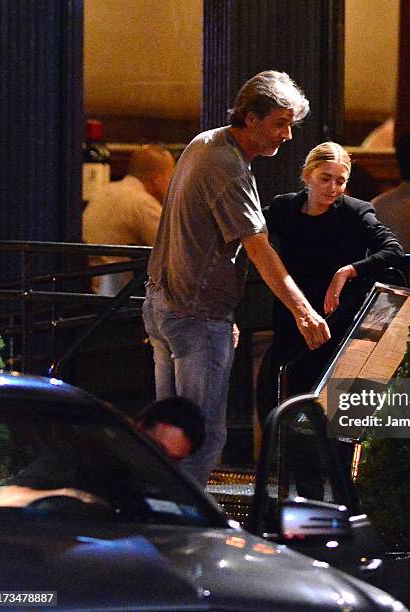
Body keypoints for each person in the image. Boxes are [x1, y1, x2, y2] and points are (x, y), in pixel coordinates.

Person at [142, 71, 331, 487]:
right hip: (194, 313)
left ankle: (164, 517)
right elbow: (258, 247)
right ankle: (185, 531)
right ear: (249, 117)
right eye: (279, 123)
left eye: (290, 124)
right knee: (202, 437)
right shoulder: (228, 167)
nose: (287, 136)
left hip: (164, 305)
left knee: (169, 435)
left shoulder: (204, 142)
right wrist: (304, 312)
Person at [261, 141, 404, 415]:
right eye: (325, 178)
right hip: (292, 313)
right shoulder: (286, 208)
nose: (333, 188)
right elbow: (250, 233)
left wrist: (348, 270)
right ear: (307, 175)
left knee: (325, 400)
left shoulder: (354, 211)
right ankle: (285, 454)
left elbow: (393, 251)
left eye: (340, 181)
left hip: (335, 318)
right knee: (281, 393)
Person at [0, 397, 205, 508]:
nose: (162, 463)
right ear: (138, 431)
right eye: (157, 451)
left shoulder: (173, 490)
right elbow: (8, 498)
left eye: (174, 460)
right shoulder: (84, 459)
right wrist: (67, 496)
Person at [82, 144, 175, 294]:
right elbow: (172, 250)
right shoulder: (141, 202)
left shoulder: (106, 190)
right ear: (157, 178)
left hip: (88, 289)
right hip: (116, 298)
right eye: (172, 176)